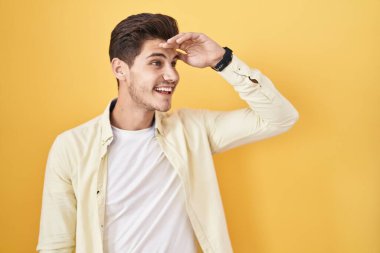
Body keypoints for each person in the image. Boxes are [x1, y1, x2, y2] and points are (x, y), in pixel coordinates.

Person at [36, 13, 299, 253]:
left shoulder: (192, 130)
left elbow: (280, 118)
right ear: (120, 69)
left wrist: (222, 61)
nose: (172, 75)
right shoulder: (72, 147)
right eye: (156, 63)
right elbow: (56, 245)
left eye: (174, 63)